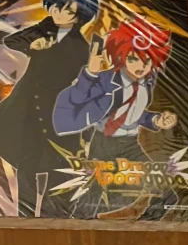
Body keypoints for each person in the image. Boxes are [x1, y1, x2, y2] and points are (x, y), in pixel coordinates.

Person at [0, 0, 99, 217]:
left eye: (68, 10)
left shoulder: (80, 46)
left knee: (58, 167)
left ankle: (55, 216)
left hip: (57, 111)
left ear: (79, 17)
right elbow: (12, 40)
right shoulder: (43, 28)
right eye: (57, 6)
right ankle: (25, 215)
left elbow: (80, 80)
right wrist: (32, 45)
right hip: (27, 106)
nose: (59, 12)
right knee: (26, 164)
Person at [53, 19, 176, 214]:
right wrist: (90, 73)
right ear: (121, 56)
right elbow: (77, 98)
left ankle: (147, 224)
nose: (141, 66)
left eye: (147, 61)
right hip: (104, 143)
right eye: (133, 59)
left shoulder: (148, 81)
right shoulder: (106, 79)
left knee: (165, 191)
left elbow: (134, 113)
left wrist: (156, 120)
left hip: (131, 143)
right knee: (92, 197)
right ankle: (78, 222)